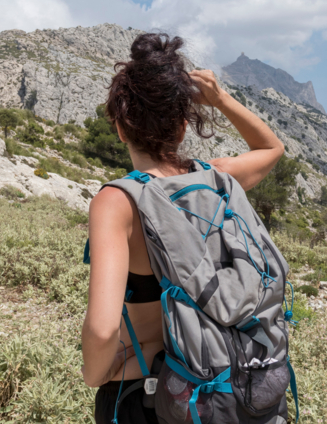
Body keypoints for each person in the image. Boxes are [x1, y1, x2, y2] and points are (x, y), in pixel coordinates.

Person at [81, 32, 285, 423]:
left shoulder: (119, 203)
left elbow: (104, 329)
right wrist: (220, 98)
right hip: (228, 387)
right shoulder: (218, 178)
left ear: (121, 127)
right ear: (183, 126)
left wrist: (95, 377)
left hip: (145, 395)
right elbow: (271, 149)